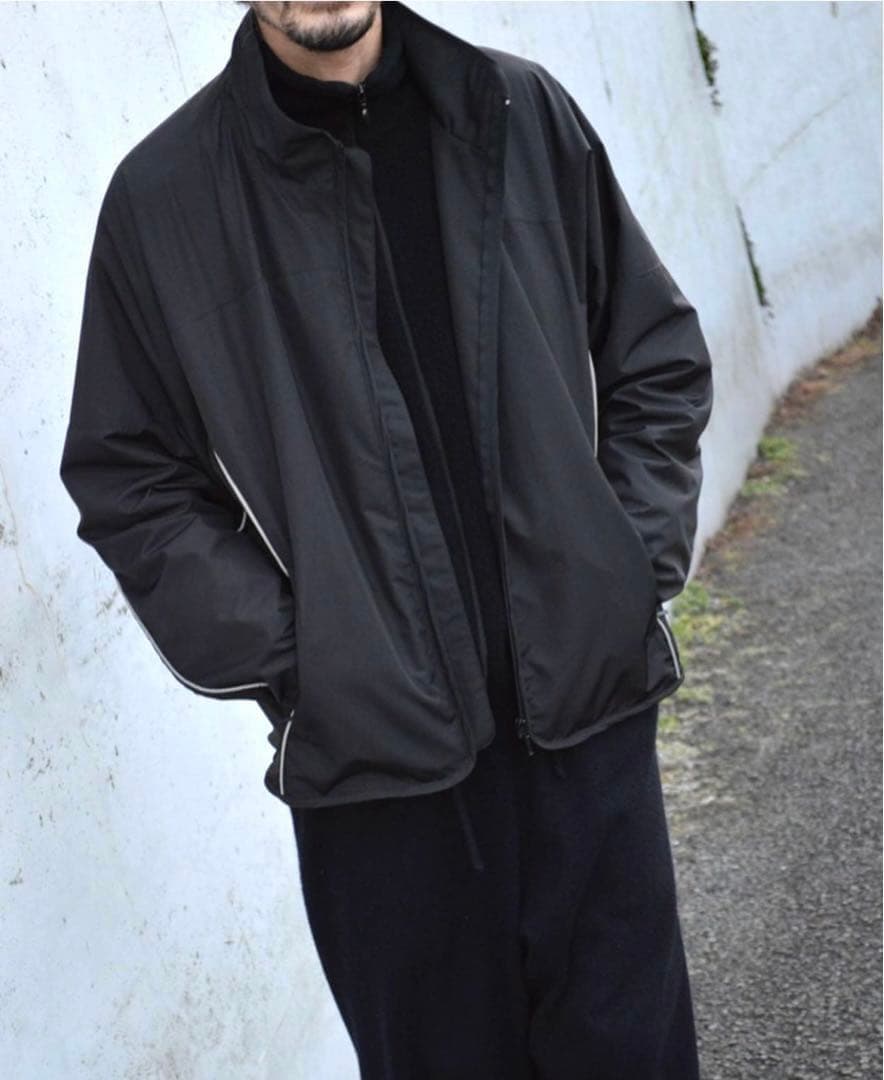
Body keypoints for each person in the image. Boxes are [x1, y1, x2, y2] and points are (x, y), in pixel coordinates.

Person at [59, 2, 714, 1076]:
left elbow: (653, 353)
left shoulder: (515, 111)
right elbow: (129, 475)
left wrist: (622, 569)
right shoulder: (164, 199)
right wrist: (305, 662)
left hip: (588, 741)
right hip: (379, 798)